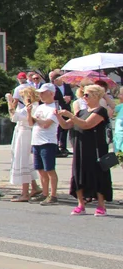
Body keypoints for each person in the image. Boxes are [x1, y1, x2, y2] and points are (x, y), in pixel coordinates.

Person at [59, 84, 112, 216]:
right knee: (78, 174)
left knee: (98, 174)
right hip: (80, 147)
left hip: (96, 148)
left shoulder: (100, 110)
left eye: (87, 94)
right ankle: (80, 204)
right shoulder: (81, 112)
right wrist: (59, 116)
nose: (84, 97)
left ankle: (101, 205)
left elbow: (87, 124)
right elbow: (66, 125)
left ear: (95, 96)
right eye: (83, 94)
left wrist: (70, 115)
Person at [31, 82, 65, 206]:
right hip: (36, 141)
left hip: (48, 142)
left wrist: (35, 118)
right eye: (40, 93)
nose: (41, 95)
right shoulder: (39, 107)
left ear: (51, 93)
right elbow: (31, 122)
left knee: (49, 169)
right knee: (40, 169)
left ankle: (53, 195)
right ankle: (44, 193)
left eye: (43, 93)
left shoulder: (55, 108)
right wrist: (30, 112)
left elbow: (46, 124)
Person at [6, 86, 38, 201]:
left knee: (22, 160)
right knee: (26, 161)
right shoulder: (29, 106)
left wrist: (9, 102)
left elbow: (14, 117)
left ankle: (25, 193)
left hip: (24, 133)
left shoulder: (31, 107)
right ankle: (34, 187)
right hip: (21, 132)